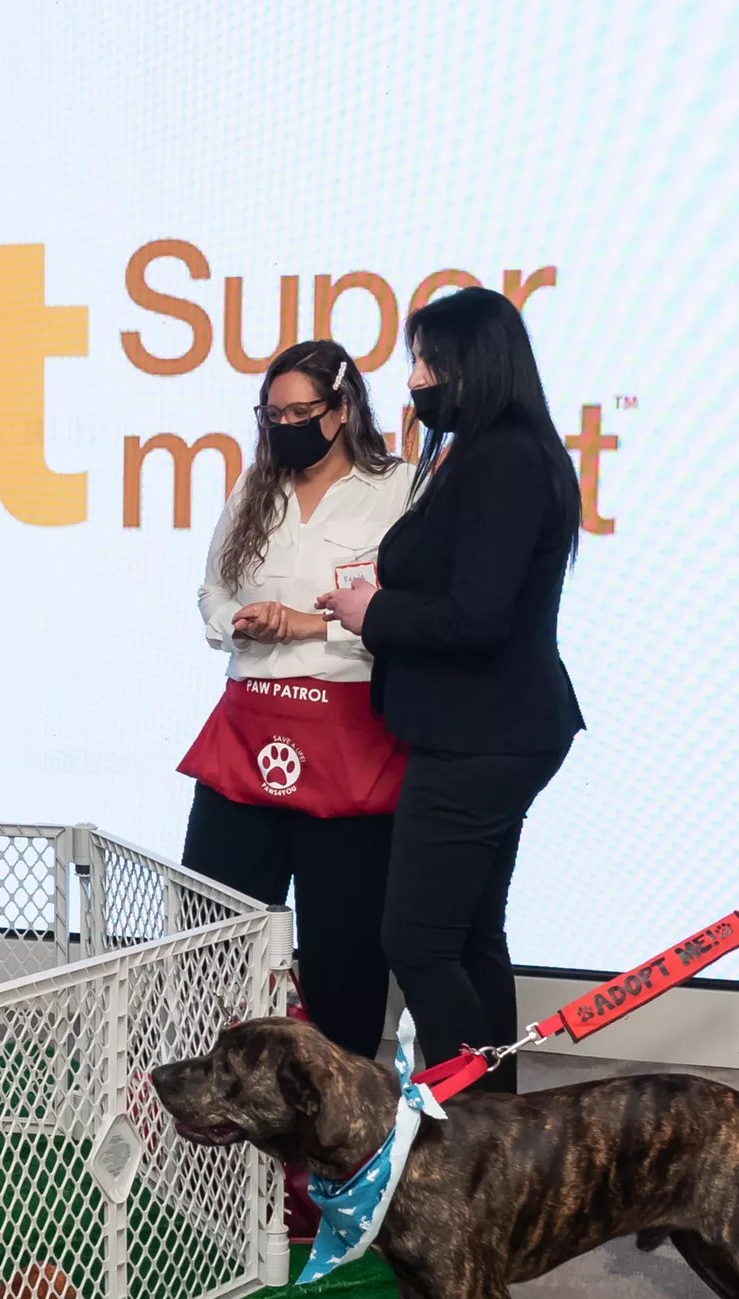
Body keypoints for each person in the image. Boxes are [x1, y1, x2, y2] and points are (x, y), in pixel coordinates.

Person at [318, 287, 583, 1091]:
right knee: (468, 939)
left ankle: (471, 1126)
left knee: (419, 941)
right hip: (492, 729)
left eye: (428, 362)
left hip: (482, 735)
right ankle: (499, 1130)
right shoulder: (493, 451)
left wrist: (374, 612)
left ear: (476, 364)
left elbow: (479, 617)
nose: (414, 380)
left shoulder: (504, 459)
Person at [178, 337, 413, 1061]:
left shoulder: (399, 489)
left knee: (346, 948)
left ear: (342, 409)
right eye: (272, 414)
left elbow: (411, 612)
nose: (284, 427)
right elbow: (212, 590)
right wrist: (237, 623)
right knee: (209, 933)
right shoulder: (256, 487)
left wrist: (311, 625)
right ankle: (214, 1090)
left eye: (301, 413)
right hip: (249, 729)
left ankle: (341, 1107)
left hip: (349, 736)